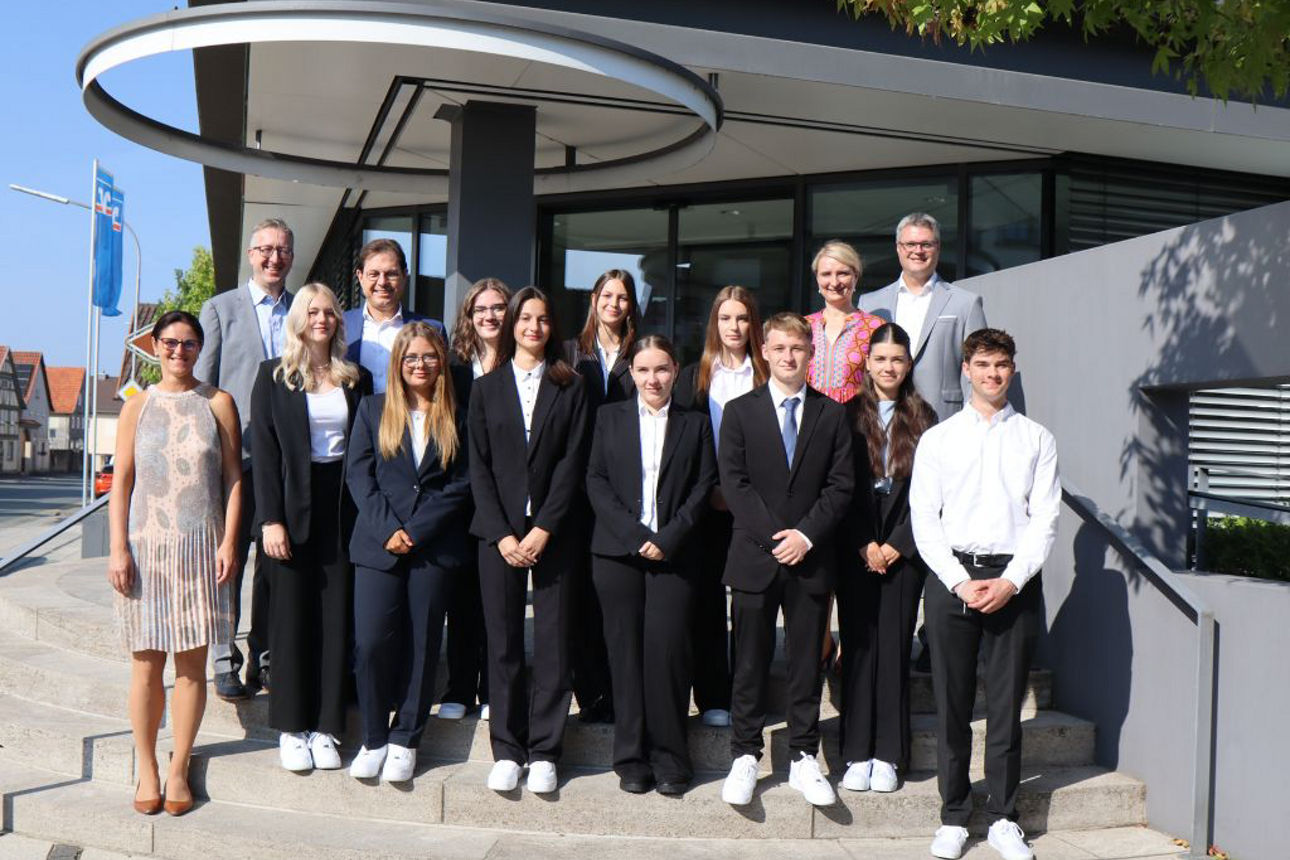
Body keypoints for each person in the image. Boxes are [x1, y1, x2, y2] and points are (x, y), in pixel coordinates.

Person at [910, 329, 1060, 860]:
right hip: (952, 579)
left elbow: (1044, 520)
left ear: (1011, 371)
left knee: (1005, 706)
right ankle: (953, 816)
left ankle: (1002, 816)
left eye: (1001, 365)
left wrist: (1011, 581)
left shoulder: (1037, 439)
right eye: (983, 364)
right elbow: (924, 519)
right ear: (966, 369)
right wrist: (957, 581)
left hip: (1012, 582)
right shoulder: (939, 439)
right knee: (951, 704)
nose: (992, 374)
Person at [108, 310, 243, 816]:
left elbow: (233, 477)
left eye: (188, 343)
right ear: (156, 345)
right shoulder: (136, 407)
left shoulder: (219, 403)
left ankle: (180, 765)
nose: (178, 351)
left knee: (191, 665)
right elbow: (121, 481)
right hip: (146, 549)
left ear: (199, 348)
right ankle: (146, 765)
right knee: (146, 665)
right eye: (170, 342)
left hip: (200, 550)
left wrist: (230, 541)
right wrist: (119, 547)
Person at [717, 312, 854, 809]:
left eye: (797, 348)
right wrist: (778, 536)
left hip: (811, 560)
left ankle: (802, 755)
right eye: (779, 348)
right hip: (755, 556)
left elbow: (841, 487)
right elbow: (735, 483)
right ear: (766, 352)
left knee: (804, 663)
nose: (788, 357)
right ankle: (745, 753)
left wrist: (805, 536)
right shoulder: (739, 411)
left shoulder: (832, 415)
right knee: (749, 662)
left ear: (810, 353)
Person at [469, 287, 589, 794]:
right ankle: (508, 748)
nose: (533, 327)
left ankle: (544, 750)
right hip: (497, 534)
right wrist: (501, 532)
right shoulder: (486, 388)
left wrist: (544, 527)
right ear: (512, 323)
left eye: (543, 319)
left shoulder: (572, 386)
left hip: (553, 533)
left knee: (555, 642)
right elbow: (479, 466)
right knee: (503, 644)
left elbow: (574, 463)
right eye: (525, 318)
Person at [586, 335, 717, 796]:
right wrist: (637, 536)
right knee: (624, 657)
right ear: (632, 374)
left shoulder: (695, 424)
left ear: (675, 371)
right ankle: (630, 759)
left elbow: (704, 486)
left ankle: (670, 757)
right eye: (643, 370)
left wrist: (668, 538)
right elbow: (596, 481)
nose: (652, 378)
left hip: (675, 555)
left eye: (661, 369)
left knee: (668, 655)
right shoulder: (609, 418)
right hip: (617, 554)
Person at [250, 283, 371, 772]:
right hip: (290, 508)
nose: (322, 319)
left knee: (335, 615)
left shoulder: (354, 377)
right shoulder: (273, 377)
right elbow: (265, 453)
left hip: (341, 507)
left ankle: (326, 727)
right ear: (299, 319)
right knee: (291, 619)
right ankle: (291, 727)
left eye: (330, 312)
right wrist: (270, 519)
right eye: (313, 311)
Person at [346, 322, 472, 783]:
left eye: (429, 357)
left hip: (433, 547)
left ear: (442, 362)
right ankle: (375, 735)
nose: (420, 365)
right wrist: (390, 530)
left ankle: (406, 738)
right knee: (372, 642)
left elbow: (462, 483)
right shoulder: (372, 410)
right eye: (411, 358)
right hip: (378, 544)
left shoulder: (458, 413)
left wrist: (416, 531)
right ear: (398, 364)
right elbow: (359, 476)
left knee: (422, 643)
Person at [195, 217, 295, 700]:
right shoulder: (219, 310)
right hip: (234, 460)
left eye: (282, 250)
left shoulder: (303, 311)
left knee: (275, 566)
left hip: (287, 463)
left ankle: (267, 658)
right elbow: (202, 387)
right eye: (265, 250)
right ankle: (223, 657)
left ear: (291, 258)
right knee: (229, 561)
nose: (273, 258)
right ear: (250, 256)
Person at [837, 323, 938, 795]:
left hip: (905, 549)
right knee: (859, 648)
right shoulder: (844, 415)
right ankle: (856, 752)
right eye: (880, 359)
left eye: (898, 359)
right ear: (868, 363)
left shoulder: (926, 417)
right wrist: (863, 543)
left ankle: (888, 755)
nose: (889, 367)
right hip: (856, 547)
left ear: (908, 364)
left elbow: (933, 495)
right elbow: (838, 489)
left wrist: (899, 543)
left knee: (894, 648)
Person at [672, 285, 769, 728]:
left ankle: (749, 694)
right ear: (715, 324)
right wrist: (709, 489)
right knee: (708, 600)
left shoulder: (767, 374)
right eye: (726, 318)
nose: (734, 327)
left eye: (743, 318)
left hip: (759, 504)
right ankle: (712, 694)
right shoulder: (695, 375)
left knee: (751, 605)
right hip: (706, 504)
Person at [562, 269, 642, 723]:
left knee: (618, 596)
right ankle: (590, 692)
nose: (614, 303)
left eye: (623, 296)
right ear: (594, 300)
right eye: (607, 295)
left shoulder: (642, 353)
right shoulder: (571, 353)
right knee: (582, 597)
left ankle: (620, 689)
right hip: (577, 490)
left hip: (627, 489)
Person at [438, 277, 513, 722]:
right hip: (462, 497)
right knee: (463, 596)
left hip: (506, 499)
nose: (489, 316)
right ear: (469, 316)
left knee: (499, 602)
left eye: (498, 307)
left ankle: (493, 688)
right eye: (480, 309)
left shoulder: (522, 365)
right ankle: (460, 686)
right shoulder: (454, 367)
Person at [858, 213, 987, 422]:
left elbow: (978, 367)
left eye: (926, 244)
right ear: (899, 248)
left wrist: (972, 423)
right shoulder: (871, 304)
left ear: (938, 248)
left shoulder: (966, 304)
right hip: (883, 418)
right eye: (910, 244)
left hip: (944, 418)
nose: (918, 251)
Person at [343, 238, 446, 394]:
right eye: (374, 274)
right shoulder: (339, 325)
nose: (382, 282)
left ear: (405, 276)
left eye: (391, 274)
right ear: (360, 276)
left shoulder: (433, 330)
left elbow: (443, 388)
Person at [805, 241, 886, 405]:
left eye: (843, 273)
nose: (834, 282)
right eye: (826, 274)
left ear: (855, 276)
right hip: (808, 420)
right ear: (817, 278)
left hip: (856, 421)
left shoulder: (875, 327)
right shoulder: (803, 326)